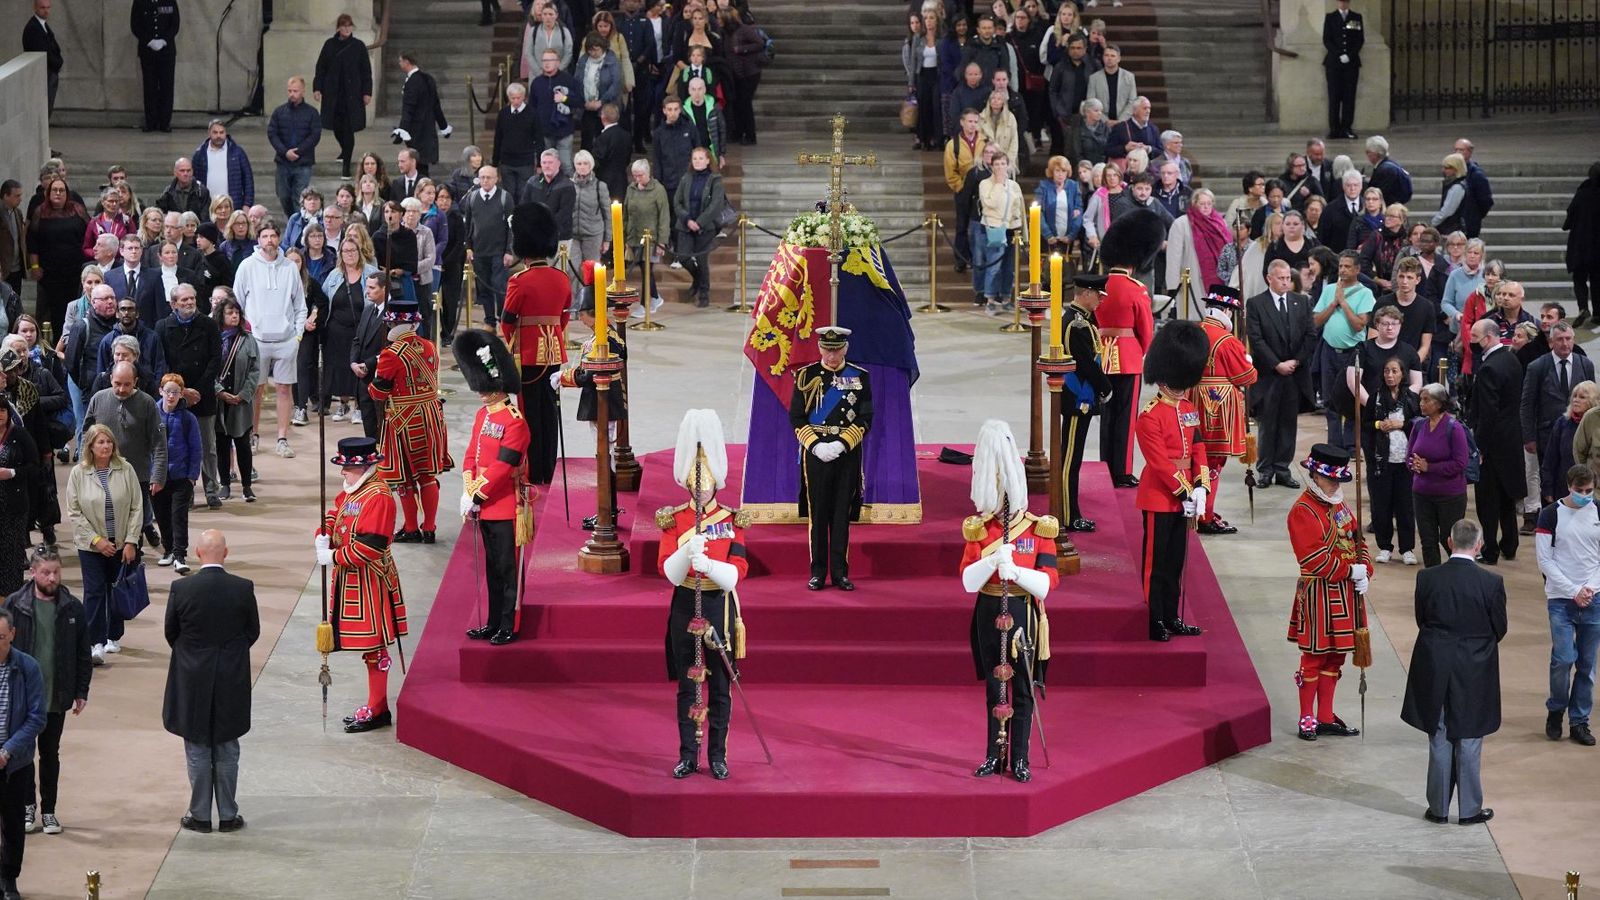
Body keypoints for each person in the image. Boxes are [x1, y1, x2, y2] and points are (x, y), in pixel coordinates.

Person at [961, 419, 1058, 783]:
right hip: (988, 609)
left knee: (1020, 689)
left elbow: (1047, 585)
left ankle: (1020, 758)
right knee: (993, 685)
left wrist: (1014, 571)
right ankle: (992, 754)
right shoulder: (980, 528)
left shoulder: (1038, 528)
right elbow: (969, 582)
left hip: (1023, 613)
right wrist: (990, 561)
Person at [653, 408, 747, 780]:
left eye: (705, 483)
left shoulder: (730, 519)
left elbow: (737, 574)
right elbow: (668, 572)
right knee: (687, 686)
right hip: (684, 603)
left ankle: (718, 755)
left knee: (720, 689)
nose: (700, 488)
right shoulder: (673, 519)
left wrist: (709, 566)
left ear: (715, 482)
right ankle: (688, 755)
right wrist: (685, 552)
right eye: (695, 483)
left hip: (717, 604)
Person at [1402, 518, 1506, 824]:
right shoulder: (1491, 583)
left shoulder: (1427, 578)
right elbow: (1499, 628)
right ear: (1479, 545)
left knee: (1439, 731)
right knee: (1470, 734)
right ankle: (1470, 810)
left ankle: (1438, 809)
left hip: (1435, 662)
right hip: (1475, 666)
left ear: (1449, 543)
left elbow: (1423, 619)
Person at [160, 528, 256, 835]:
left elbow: (171, 633)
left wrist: (192, 655)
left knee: (198, 744)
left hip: (192, 677)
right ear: (225, 554)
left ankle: (199, 814)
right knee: (227, 745)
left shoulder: (182, 589)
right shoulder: (242, 588)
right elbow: (251, 632)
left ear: (198, 553)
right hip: (231, 676)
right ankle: (228, 814)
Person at [315, 435, 408, 734]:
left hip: (371, 581)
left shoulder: (378, 496)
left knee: (375, 648)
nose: (342, 472)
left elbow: (372, 547)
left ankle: (378, 708)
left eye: (346, 467)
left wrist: (333, 555)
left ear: (364, 466)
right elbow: (336, 513)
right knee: (370, 649)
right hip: (352, 579)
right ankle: (377, 706)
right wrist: (324, 532)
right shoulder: (355, 490)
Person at [1, 547, 89, 840]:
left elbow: (82, 653)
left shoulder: (72, 607)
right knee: (23, 754)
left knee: (50, 753)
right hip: (22, 696)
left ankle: (48, 809)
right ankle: (28, 806)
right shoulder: (16, 604)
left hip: (56, 694)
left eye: (56, 572)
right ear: (33, 572)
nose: (52, 578)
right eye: (46, 572)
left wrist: (81, 691)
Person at [1136, 319, 1209, 642]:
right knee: (1157, 564)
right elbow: (1160, 464)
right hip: (1159, 497)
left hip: (1186, 496)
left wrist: (1202, 485)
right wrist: (1185, 491)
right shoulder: (1149, 416)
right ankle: (1154, 620)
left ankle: (1171, 615)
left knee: (1176, 561)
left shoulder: (1188, 408)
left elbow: (1198, 447)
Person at [454, 331, 528, 645]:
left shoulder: (515, 421)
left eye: (485, 389)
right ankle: (494, 620)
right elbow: (472, 454)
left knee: (507, 570)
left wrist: (477, 493)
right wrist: (468, 487)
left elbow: (503, 467)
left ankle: (509, 624)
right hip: (483, 503)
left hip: (504, 504)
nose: (481, 394)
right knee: (491, 570)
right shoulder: (483, 414)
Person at [790, 326, 872, 591]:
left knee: (840, 514)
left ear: (845, 349)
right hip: (815, 453)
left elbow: (865, 418)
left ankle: (840, 573)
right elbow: (796, 417)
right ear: (819, 348)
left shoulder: (860, 377)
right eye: (827, 349)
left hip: (846, 452)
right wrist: (814, 445)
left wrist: (841, 443)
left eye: (837, 350)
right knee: (819, 513)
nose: (832, 355)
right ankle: (817, 572)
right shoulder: (806, 375)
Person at [368, 297, 452, 543]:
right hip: (431, 416)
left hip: (404, 421)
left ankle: (412, 527)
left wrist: (373, 379)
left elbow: (378, 393)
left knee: (403, 478)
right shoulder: (429, 346)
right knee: (428, 476)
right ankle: (430, 528)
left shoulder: (390, 354)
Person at [500, 202, 568, 487]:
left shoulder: (520, 280)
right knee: (551, 413)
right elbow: (563, 318)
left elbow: (507, 320)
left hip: (527, 354)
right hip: (554, 352)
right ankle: (549, 469)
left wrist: (514, 344)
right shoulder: (562, 278)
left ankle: (534, 470)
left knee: (530, 414)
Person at [64, 424, 141, 665]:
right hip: (91, 546)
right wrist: (96, 540)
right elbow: (74, 512)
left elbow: (137, 507)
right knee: (95, 592)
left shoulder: (126, 469)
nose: (106, 446)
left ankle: (113, 635)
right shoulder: (79, 473)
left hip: (120, 544)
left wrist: (130, 541)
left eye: (109, 442)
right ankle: (94, 642)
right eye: (100, 442)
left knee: (116, 590)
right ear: (90, 446)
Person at [1534, 464, 1600, 747]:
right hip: (1561, 599)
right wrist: (1574, 591)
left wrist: (1590, 588)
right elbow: (1545, 561)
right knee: (1563, 659)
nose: (1586, 495)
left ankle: (1579, 721)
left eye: (1590, 491)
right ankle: (1556, 708)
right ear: (1569, 486)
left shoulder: (1598, 512)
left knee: (1587, 665)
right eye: (1580, 491)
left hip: (1594, 597)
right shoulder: (1550, 515)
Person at [1095, 209, 1161, 489]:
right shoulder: (1136, 289)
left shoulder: (1099, 286)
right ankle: (1121, 470)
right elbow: (1145, 330)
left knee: (1107, 415)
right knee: (1125, 417)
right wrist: (1142, 351)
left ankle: (1104, 464)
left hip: (1103, 355)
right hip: (1129, 357)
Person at [232, 221, 306, 459]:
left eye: (273, 235)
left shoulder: (290, 267)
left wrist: (297, 336)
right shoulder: (247, 266)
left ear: (278, 238)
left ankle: (282, 439)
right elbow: (237, 305)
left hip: (286, 340)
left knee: (285, 389)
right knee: (256, 390)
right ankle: (253, 436)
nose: (270, 240)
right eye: (265, 236)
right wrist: (244, 335)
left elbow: (300, 306)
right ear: (258, 239)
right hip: (256, 340)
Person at [1192, 286, 1258, 535]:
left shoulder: (1195, 332)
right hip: (1219, 406)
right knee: (1213, 463)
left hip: (1193, 400)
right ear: (1227, 311)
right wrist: (1250, 364)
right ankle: (1205, 515)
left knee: (1197, 458)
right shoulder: (1227, 341)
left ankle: (1200, 508)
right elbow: (1246, 376)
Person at [1247, 261, 1316, 487]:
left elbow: (1309, 335)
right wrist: (1277, 364)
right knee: (1268, 423)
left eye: (1288, 278)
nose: (1286, 282)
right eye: (1281, 278)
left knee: (1288, 422)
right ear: (1269, 278)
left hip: (1294, 374)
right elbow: (1256, 340)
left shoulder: (1302, 302)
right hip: (1269, 374)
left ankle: (1283, 469)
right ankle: (1265, 469)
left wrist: (1295, 361)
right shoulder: (1256, 304)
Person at [1468, 318, 1527, 564]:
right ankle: (1510, 544)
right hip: (1512, 439)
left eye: (1474, 336)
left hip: (1492, 445)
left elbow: (1488, 413)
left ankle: (1490, 550)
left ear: (1488, 338)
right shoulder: (1511, 358)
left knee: (1488, 501)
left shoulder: (1489, 368)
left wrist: (1478, 447)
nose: (1470, 340)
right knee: (1506, 498)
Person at [1059, 275, 1111, 531]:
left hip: (1084, 397)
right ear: (1086, 293)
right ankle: (1068, 515)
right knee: (1070, 459)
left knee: (1073, 457)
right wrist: (1105, 386)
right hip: (1077, 397)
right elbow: (1086, 364)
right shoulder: (1076, 325)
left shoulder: (1083, 320)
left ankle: (1070, 511)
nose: (1101, 300)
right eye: (1098, 295)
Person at [0, 605, 45, 900]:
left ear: (12, 635)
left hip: (14, 765)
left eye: (1, 637)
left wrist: (7, 751)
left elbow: (36, 717)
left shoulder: (28, 667)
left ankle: (9, 879)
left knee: (13, 824)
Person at [1523, 320, 1594, 497]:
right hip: (1547, 434)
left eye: (1569, 338)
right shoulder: (1537, 366)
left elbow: (1594, 399)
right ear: (1551, 342)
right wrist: (1529, 437)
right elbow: (1527, 404)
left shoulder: (1585, 364)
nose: (1565, 343)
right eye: (1560, 339)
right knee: (1551, 480)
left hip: (1581, 433)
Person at [25, 177, 89, 337]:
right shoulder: (40, 212)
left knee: (77, 309)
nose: (58, 193)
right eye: (55, 190)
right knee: (56, 313)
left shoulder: (77, 210)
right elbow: (32, 242)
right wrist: (34, 266)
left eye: (62, 190)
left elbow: (89, 234)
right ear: (48, 193)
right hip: (51, 273)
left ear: (67, 193)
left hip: (76, 271)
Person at [312, 14, 374, 178]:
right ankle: (344, 151)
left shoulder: (358, 46)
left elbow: (366, 71)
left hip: (352, 95)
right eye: (343, 26)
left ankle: (346, 164)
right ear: (338, 28)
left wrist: (367, 92)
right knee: (337, 127)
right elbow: (321, 68)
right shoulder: (329, 45)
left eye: (349, 26)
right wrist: (317, 88)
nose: (347, 29)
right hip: (334, 95)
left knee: (348, 129)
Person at [211, 294, 258, 502]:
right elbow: (208, 368)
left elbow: (255, 370)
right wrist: (219, 391)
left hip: (241, 401)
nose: (234, 316)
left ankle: (247, 486)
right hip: (219, 401)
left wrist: (244, 394)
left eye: (237, 312)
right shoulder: (212, 339)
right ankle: (225, 485)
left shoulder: (248, 339)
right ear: (221, 315)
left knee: (243, 445)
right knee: (221, 445)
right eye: (230, 312)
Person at [154, 374, 199, 572]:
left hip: (181, 476)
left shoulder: (189, 418)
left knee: (178, 516)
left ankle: (180, 554)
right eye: (168, 391)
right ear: (160, 391)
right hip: (158, 475)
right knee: (162, 515)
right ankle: (168, 550)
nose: (171, 396)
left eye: (176, 392)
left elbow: (196, 448)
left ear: (182, 394)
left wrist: (192, 476)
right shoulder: (152, 414)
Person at [672, 147, 725, 308]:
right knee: (683, 257)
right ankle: (697, 280)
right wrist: (688, 220)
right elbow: (677, 201)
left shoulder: (715, 179)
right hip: (686, 224)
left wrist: (700, 222)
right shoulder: (686, 178)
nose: (697, 161)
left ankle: (703, 293)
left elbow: (716, 205)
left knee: (702, 260)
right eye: (695, 158)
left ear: (708, 160)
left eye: (701, 158)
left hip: (705, 226)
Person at [971, 150, 1023, 313]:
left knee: (1009, 267)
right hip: (994, 228)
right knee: (994, 266)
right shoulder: (986, 184)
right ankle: (990, 299)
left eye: (1003, 164)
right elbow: (990, 203)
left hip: (1011, 229)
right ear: (992, 166)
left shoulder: (1014, 185)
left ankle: (1006, 297)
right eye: (997, 164)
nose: (1000, 167)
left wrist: (1023, 232)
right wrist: (999, 184)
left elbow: (1018, 207)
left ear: (1008, 165)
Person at [267, 78, 323, 220]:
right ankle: (293, 219)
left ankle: (297, 223)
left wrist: (298, 152)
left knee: (299, 197)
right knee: (283, 195)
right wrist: (285, 152)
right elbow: (272, 133)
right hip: (283, 161)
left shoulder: (311, 113)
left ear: (303, 91)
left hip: (303, 162)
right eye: (290, 91)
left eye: (295, 91)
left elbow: (315, 135)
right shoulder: (279, 112)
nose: (292, 94)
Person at [392, 53, 451, 176]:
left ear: (407, 62)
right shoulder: (428, 78)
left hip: (416, 130)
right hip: (428, 128)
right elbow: (436, 106)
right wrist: (443, 126)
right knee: (423, 165)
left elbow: (408, 108)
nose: (399, 64)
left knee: (417, 163)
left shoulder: (413, 82)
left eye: (400, 61)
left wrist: (403, 129)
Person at [0, 401, 37, 598]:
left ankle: (12, 598)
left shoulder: (19, 435)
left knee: (12, 552)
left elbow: (35, 467)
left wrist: (13, 473)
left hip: (14, 506)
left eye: (3, 410)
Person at [1542, 382, 1597, 505]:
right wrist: (1548, 489)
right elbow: (1550, 459)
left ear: (1593, 401)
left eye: (1582, 397)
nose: (1576, 400)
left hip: (1593, 491)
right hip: (1565, 489)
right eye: (1575, 396)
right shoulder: (1562, 424)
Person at [131, 0, 180, 132]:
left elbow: (174, 24)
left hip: (166, 50)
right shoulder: (139, 2)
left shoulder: (170, 1)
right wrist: (149, 41)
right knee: (149, 87)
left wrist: (164, 40)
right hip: (147, 50)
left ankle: (165, 122)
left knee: (166, 86)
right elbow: (135, 25)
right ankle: (151, 122)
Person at [530, 49, 579, 174]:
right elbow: (532, 108)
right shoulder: (536, 83)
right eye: (544, 60)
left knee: (566, 166)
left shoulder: (568, 80)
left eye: (550, 60)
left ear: (558, 62)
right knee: (546, 167)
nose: (547, 63)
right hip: (544, 132)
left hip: (564, 130)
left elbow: (580, 101)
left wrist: (564, 98)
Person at [1565, 162, 1600, 329]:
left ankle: (1583, 307)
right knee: (1597, 278)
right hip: (1597, 246)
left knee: (1579, 278)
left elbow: (1570, 214)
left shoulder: (1582, 193)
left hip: (1580, 244)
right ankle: (1598, 313)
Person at [492, 83, 542, 195]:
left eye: (518, 97)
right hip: (507, 162)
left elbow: (539, 139)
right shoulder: (503, 114)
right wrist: (495, 163)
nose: (515, 101)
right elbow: (498, 138)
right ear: (508, 98)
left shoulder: (533, 114)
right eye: (512, 98)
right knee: (508, 194)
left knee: (523, 193)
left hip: (525, 162)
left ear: (524, 97)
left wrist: (539, 164)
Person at [22, 0, 63, 115]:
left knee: (46, 109)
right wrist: (57, 63)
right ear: (35, 8)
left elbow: (55, 48)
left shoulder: (42, 25)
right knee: (43, 111)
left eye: (48, 8)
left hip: (48, 74)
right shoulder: (33, 28)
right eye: (42, 8)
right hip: (42, 76)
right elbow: (43, 53)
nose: (46, 11)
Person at [1085, 43, 1134, 123]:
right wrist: (1106, 121)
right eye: (1106, 55)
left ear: (1119, 59)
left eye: (1112, 56)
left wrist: (1120, 121)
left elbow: (1132, 102)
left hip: (1123, 122)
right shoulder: (1094, 78)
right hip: (1100, 123)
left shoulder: (1129, 77)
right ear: (1103, 58)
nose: (1109, 58)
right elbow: (1091, 102)